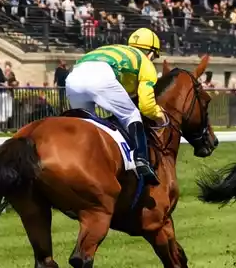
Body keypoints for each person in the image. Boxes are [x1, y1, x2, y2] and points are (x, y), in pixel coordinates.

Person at [63, 27, 165, 185]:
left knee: (87, 127)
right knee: (132, 115)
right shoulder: (144, 61)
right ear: (151, 53)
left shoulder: (116, 50)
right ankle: (141, 160)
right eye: (154, 57)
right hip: (100, 77)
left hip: (73, 78)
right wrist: (159, 115)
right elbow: (146, 106)